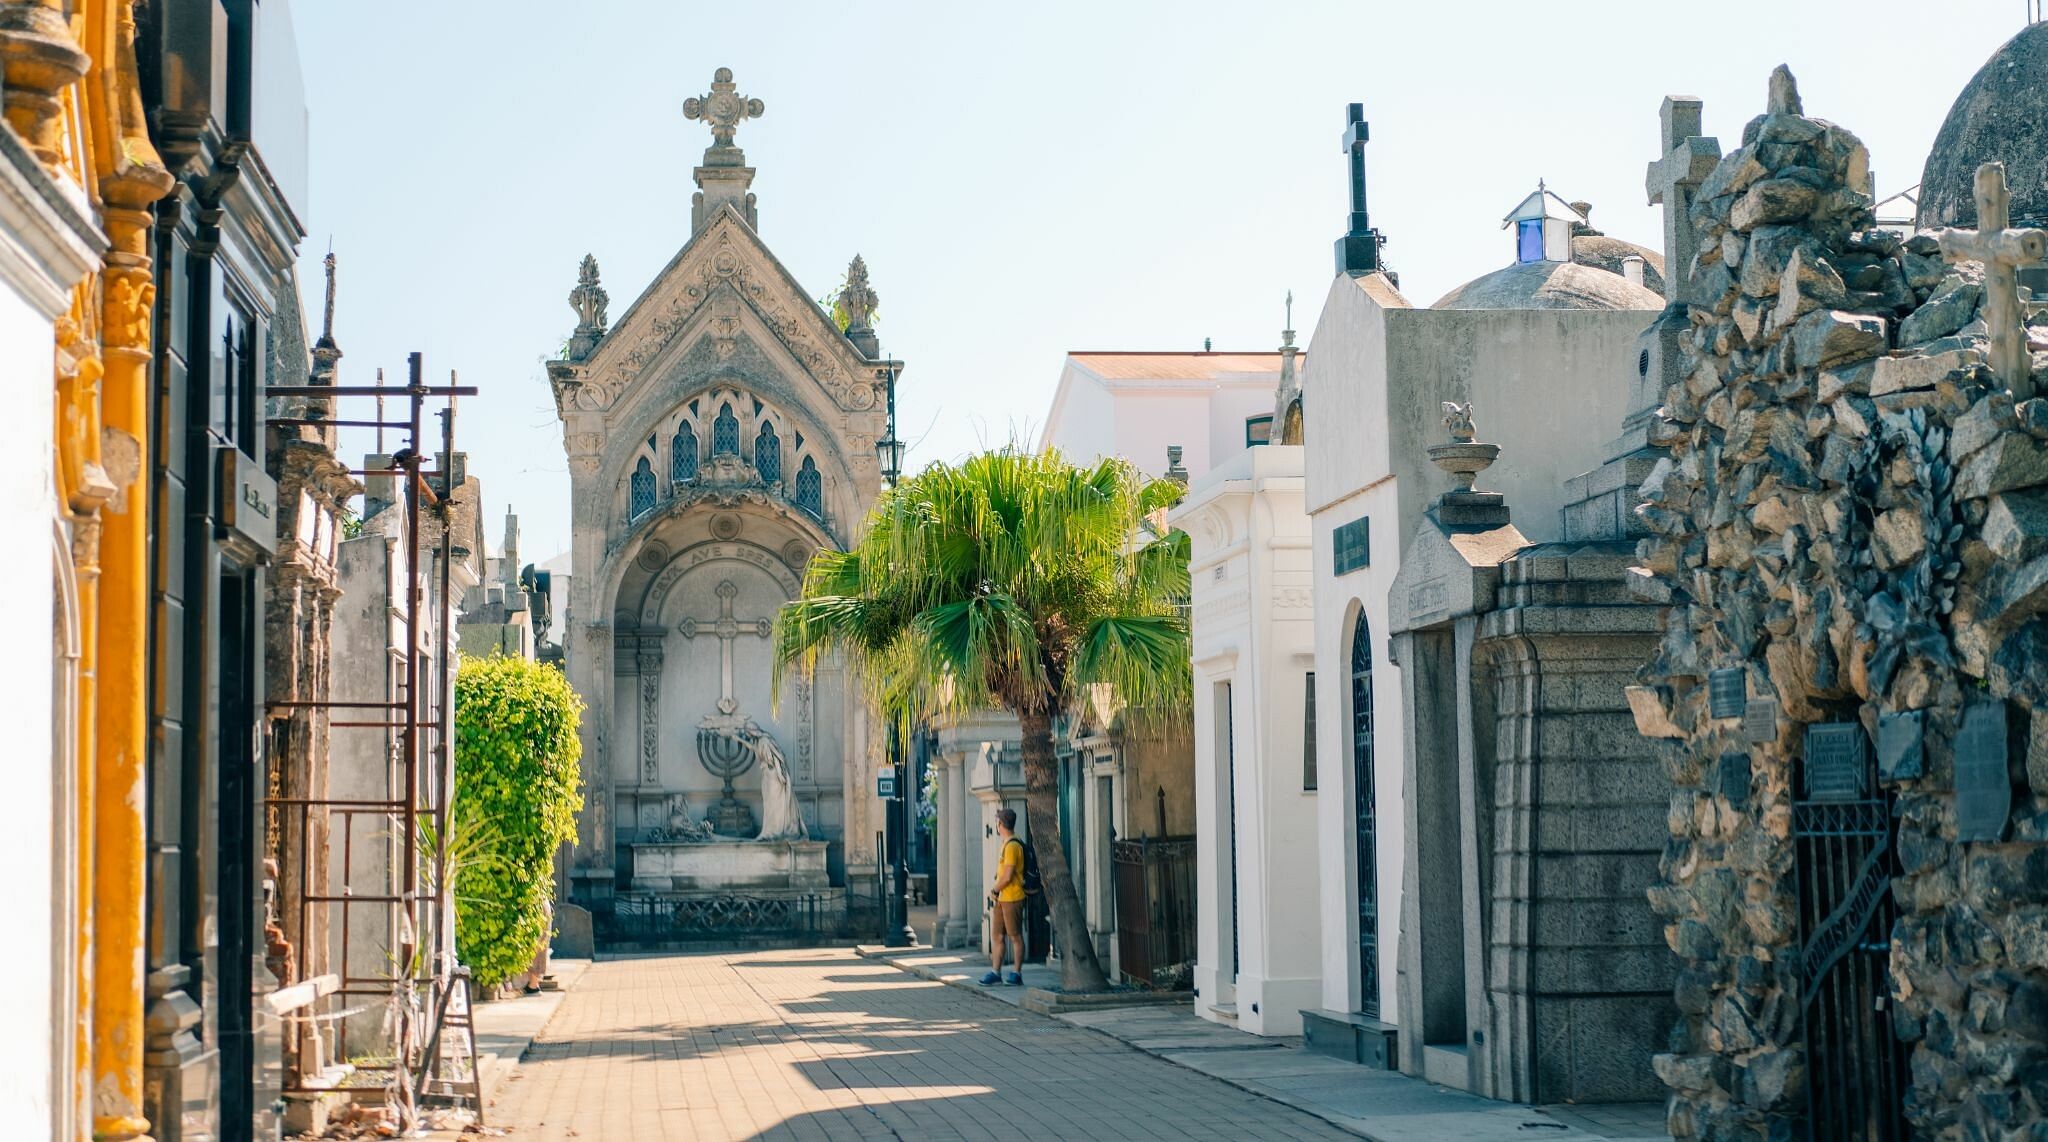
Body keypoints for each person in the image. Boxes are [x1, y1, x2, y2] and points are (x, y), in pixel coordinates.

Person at [980, 808, 1026, 986]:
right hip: (1003, 898)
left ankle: (1016, 973)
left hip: (1012, 897)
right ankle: (995, 971)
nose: (996, 826)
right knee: (998, 935)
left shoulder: (1013, 846)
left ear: (1001, 824)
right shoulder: (1006, 844)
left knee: (1015, 936)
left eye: (997, 822)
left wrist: (994, 890)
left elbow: (1007, 876)